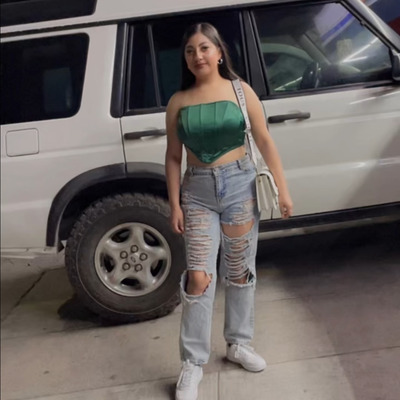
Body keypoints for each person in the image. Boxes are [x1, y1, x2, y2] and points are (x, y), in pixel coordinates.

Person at [165, 22, 293, 400]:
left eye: (204, 48)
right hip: (197, 193)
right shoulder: (178, 102)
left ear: (219, 52)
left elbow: (264, 140)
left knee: (238, 271)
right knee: (198, 277)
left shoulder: (241, 90)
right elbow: (173, 157)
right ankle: (192, 363)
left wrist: (283, 190)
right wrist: (174, 203)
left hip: (240, 186)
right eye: (190, 50)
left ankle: (238, 343)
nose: (198, 56)